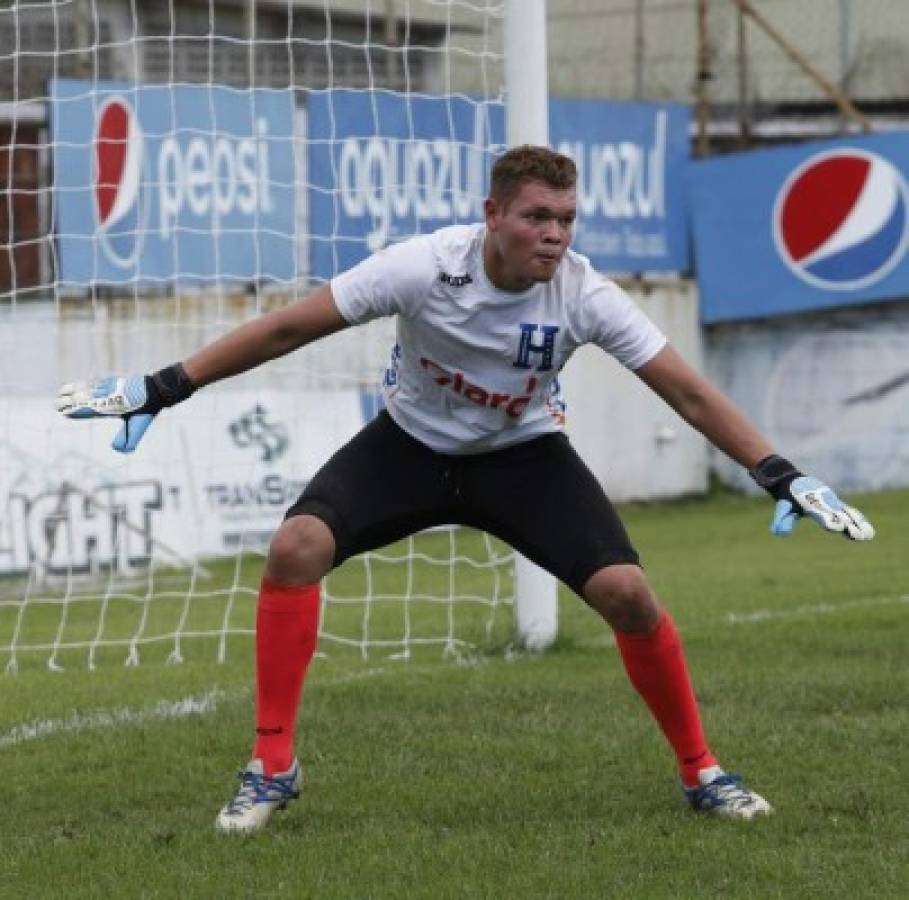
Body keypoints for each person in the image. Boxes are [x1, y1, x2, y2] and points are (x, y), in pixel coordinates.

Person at [56, 145, 874, 834]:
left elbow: (686, 390)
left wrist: (778, 471)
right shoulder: (420, 267)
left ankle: (702, 772)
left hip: (524, 456)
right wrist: (166, 384)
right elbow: (287, 327)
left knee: (628, 592)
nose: (552, 235)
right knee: (293, 546)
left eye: (564, 220)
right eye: (535, 218)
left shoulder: (585, 293)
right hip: (408, 447)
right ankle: (272, 763)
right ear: (493, 214)